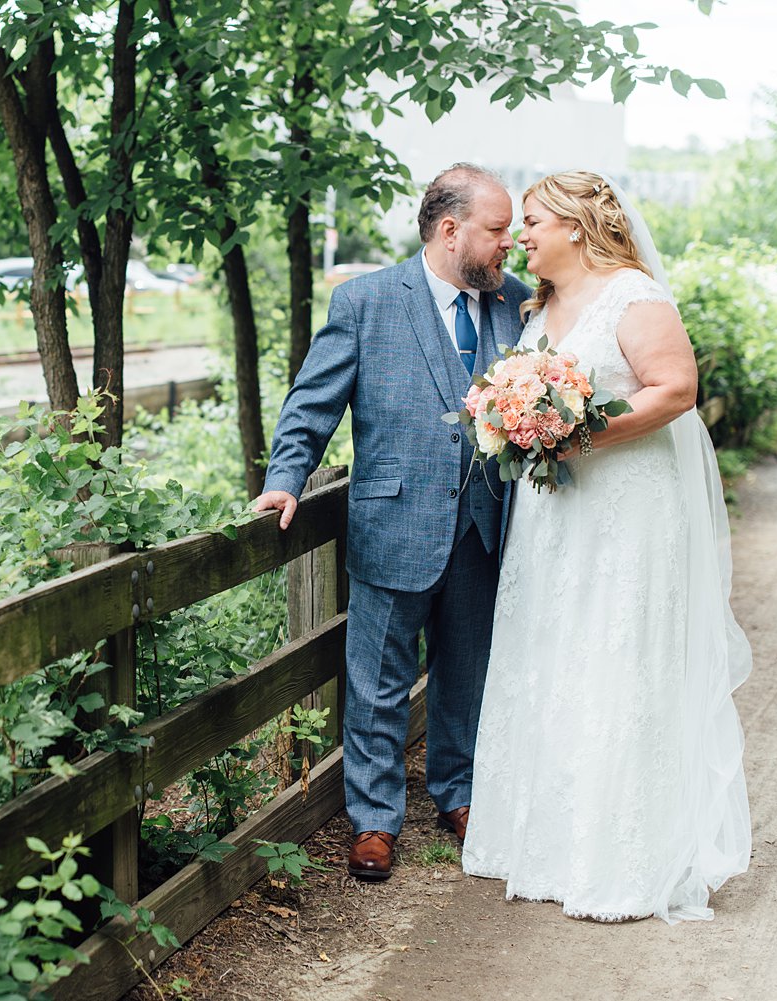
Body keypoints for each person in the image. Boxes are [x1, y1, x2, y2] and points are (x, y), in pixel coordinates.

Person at [460, 170, 752, 922]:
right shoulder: (544, 305)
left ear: (577, 224)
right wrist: (513, 417)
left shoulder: (634, 295)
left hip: (625, 508)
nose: (520, 236)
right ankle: (550, 845)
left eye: (531, 221)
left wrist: (578, 430)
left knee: (616, 656)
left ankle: (623, 857)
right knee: (552, 657)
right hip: (556, 514)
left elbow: (675, 389)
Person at [254, 163, 529, 880]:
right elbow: (312, 403)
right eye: (497, 231)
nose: (510, 245)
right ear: (450, 231)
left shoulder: (518, 307)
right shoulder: (367, 302)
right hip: (393, 521)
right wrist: (285, 479)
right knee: (376, 679)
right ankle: (374, 820)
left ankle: (459, 793)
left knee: (466, 673)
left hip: (483, 526)